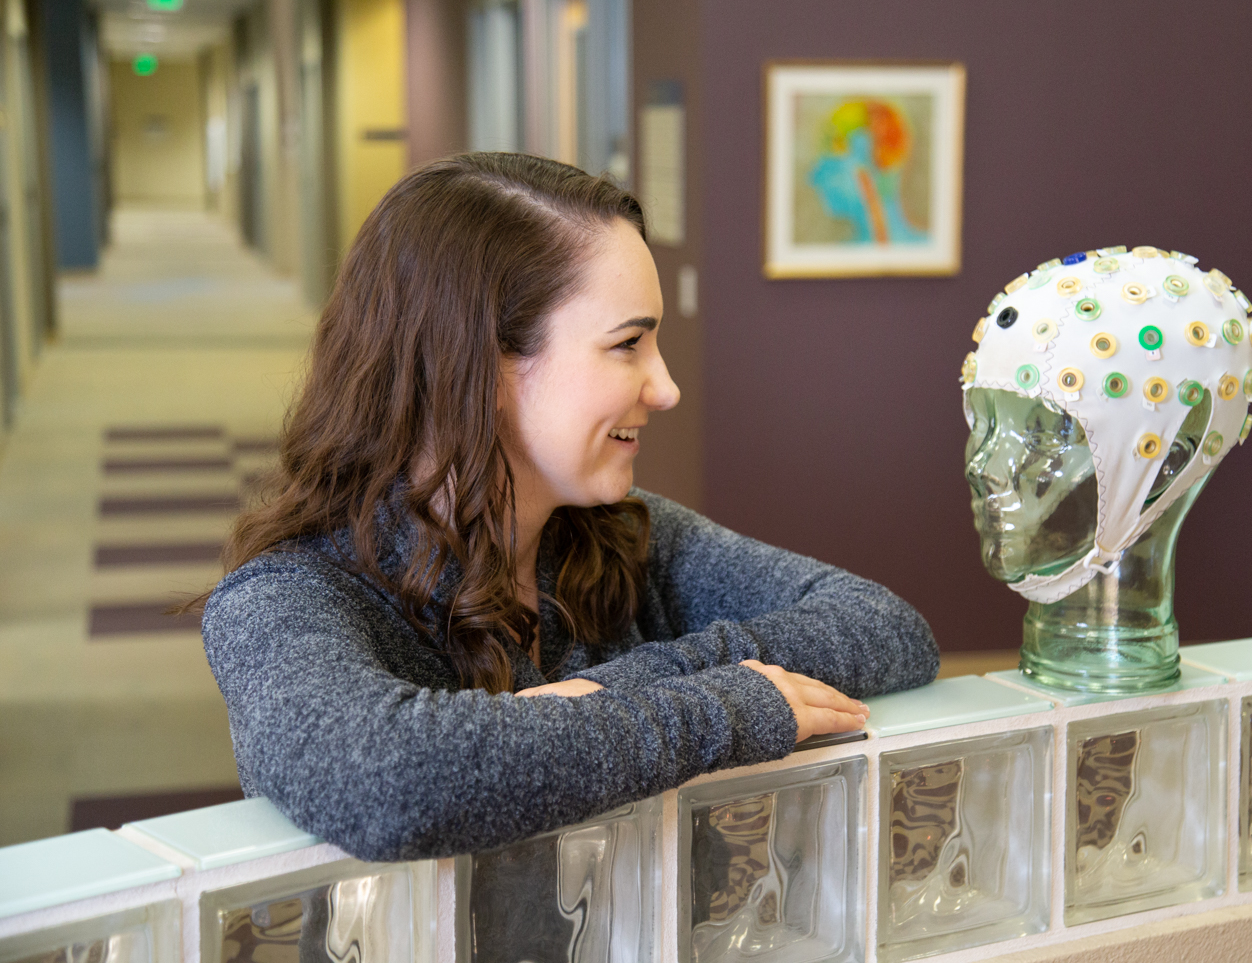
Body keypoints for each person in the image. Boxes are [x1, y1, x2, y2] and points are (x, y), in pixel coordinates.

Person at [200, 153, 939, 863]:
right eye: (628, 346)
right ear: (480, 365)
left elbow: (885, 628)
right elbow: (388, 785)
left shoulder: (621, 534)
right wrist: (722, 707)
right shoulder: (282, 600)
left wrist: (612, 693)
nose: (665, 388)